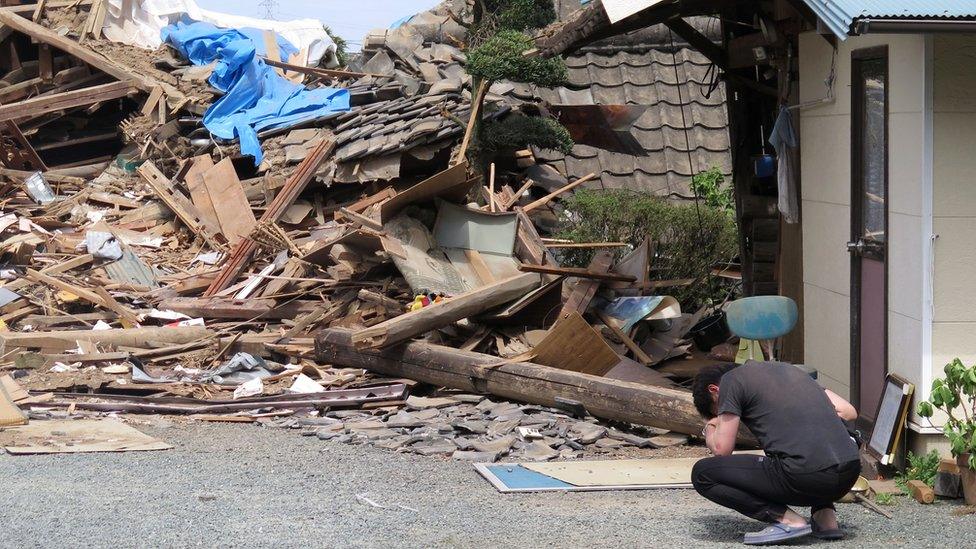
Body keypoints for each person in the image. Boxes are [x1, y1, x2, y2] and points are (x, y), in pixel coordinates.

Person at [690, 361, 861, 545]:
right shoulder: (790, 371)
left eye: (719, 411)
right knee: (809, 445)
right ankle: (826, 519)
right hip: (849, 473)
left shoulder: (731, 381)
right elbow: (848, 411)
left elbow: (721, 450)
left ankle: (788, 521)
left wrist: (710, 427)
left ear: (714, 390)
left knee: (702, 473)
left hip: (807, 477)